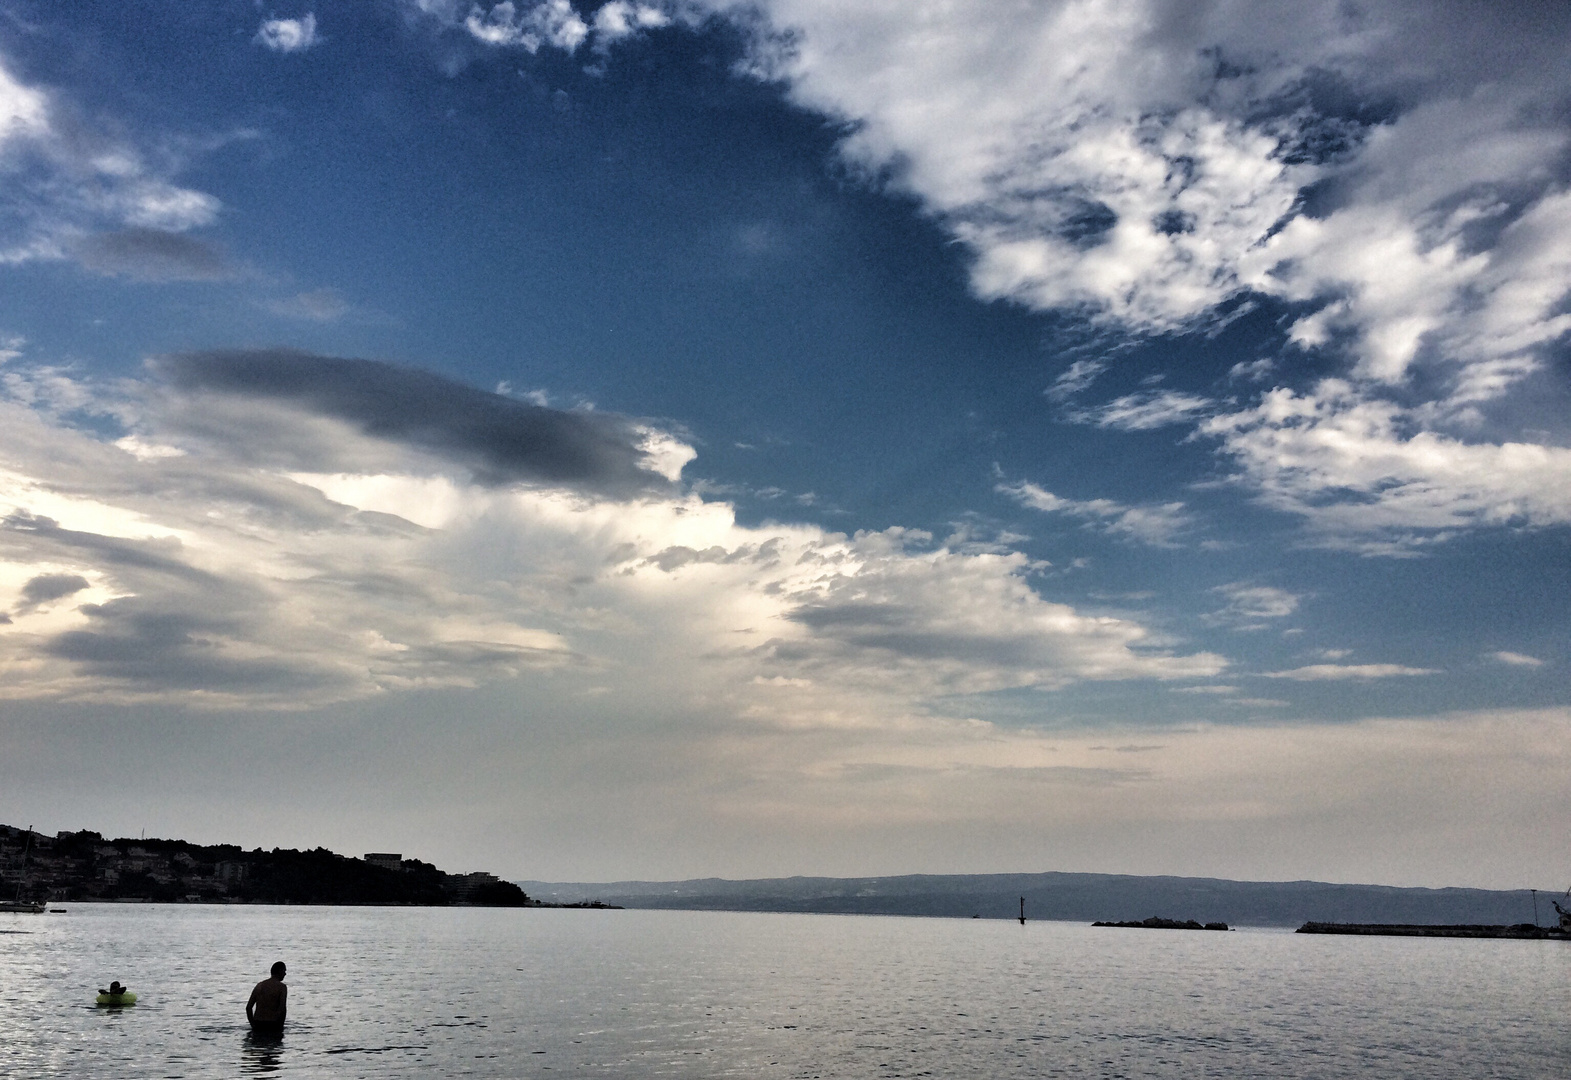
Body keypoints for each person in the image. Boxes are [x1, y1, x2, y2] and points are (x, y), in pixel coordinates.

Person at [246, 962, 288, 1033]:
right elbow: (282, 1008)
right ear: (279, 971)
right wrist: (280, 1027)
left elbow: (248, 1007)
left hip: (258, 1024)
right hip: (273, 1024)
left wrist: (253, 1025)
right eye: (284, 971)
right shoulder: (282, 987)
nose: (285, 974)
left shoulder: (260, 985)